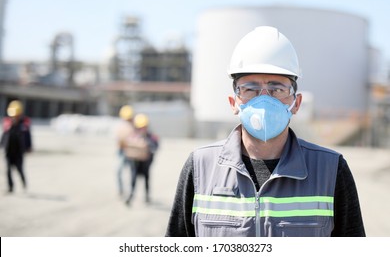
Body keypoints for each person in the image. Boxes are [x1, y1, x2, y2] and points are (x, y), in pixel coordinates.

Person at [165, 26, 365, 237]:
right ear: (234, 102)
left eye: (277, 89)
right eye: (250, 89)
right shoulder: (200, 168)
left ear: (296, 103)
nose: (264, 100)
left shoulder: (331, 170)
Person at [124, 113, 159, 205]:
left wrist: (147, 144)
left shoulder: (151, 136)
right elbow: (127, 147)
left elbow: (156, 146)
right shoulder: (133, 135)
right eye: (140, 127)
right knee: (133, 178)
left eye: (143, 127)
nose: (142, 129)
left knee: (146, 178)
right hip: (135, 162)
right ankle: (131, 196)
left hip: (146, 162)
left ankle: (147, 196)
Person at [1, 100, 33, 193]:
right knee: (7, 170)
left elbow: (28, 136)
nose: (14, 116)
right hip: (8, 150)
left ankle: (24, 184)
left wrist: (29, 147)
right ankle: (10, 187)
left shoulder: (24, 123)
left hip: (19, 151)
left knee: (19, 169)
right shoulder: (7, 122)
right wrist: (1, 144)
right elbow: (4, 135)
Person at [115, 105, 135, 197]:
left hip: (131, 152)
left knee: (132, 172)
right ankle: (121, 190)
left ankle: (130, 191)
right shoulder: (120, 125)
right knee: (119, 171)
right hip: (121, 151)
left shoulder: (134, 126)